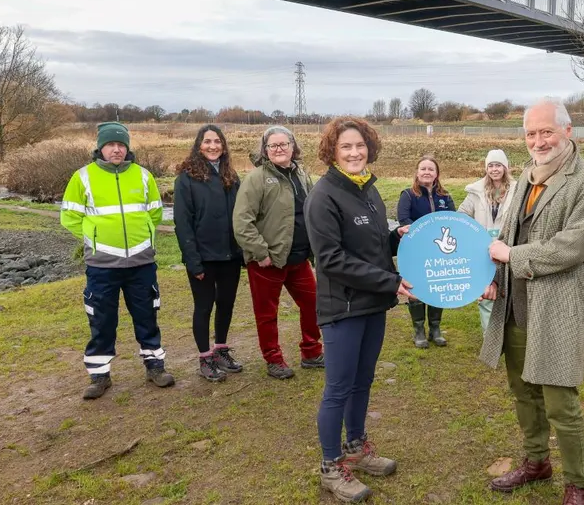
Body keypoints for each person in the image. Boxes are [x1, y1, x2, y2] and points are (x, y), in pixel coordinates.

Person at [479, 98, 584, 505]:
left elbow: (570, 246)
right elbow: (507, 235)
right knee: (523, 392)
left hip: (559, 308)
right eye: (531, 133)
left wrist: (511, 257)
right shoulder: (524, 177)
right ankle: (537, 461)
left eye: (546, 131)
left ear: (567, 131)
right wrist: (493, 276)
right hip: (517, 304)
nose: (538, 140)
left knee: (560, 401)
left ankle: (578, 484)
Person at [305, 117, 413, 503]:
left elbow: (369, 244)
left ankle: (355, 446)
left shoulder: (368, 189)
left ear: (370, 148)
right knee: (338, 388)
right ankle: (331, 466)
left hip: (372, 304)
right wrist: (391, 282)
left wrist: (394, 238)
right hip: (343, 307)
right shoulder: (324, 195)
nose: (354, 153)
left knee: (363, 380)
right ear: (332, 152)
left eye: (360, 146)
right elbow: (331, 259)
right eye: (346, 147)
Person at [60, 122, 175, 400]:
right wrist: (95, 238)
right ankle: (99, 376)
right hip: (102, 266)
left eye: (121, 145)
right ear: (100, 147)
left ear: (127, 147)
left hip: (141, 263)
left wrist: (143, 236)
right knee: (101, 320)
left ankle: (155, 366)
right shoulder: (83, 177)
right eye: (111, 144)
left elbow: (155, 213)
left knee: (147, 316)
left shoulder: (144, 176)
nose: (116, 149)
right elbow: (70, 217)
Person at [232, 126, 323, 380]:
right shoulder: (257, 178)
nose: (279, 149)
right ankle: (273, 359)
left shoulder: (302, 175)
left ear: (293, 147)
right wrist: (260, 252)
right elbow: (242, 222)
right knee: (267, 314)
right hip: (268, 261)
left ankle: (312, 352)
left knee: (313, 304)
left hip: (298, 259)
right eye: (273, 145)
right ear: (265, 150)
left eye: (284, 144)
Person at [174, 124, 243, 382]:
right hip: (203, 257)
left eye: (217, 141)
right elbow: (182, 223)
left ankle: (221, 350)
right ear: (198, 145)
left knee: (226, 304)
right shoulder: (186, 178)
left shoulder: (232, 177)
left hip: (230, 256)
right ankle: (205, 357)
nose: (213, 146)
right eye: (207, 141)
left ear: (223, 146)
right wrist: (193, 261)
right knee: (204, 307)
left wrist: (243, 251)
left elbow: (241, 215)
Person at [397, 155, 456, 348]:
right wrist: (426, 236)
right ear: (417, 172)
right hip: (416, 251)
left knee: (437, 286)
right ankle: (419, 330)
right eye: (423, 169)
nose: (426, 172)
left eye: (431, 169)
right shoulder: (407, 195)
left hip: (440, 252)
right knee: (416, 287)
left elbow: (452, 220)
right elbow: (404, 219)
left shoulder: (445, 197)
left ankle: (436, 328)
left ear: (437, 173)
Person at [458, 149, 517, 334]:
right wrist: (473, 236)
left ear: (505, 167)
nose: (494, 169)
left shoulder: (517, 191)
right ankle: (489, 335)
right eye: (491, 165)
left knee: (507, 290)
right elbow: (462, 215)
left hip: (507, 248)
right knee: (486, 292)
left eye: (498, 165)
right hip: (483, 251)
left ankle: (507, 333)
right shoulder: (476, 192)